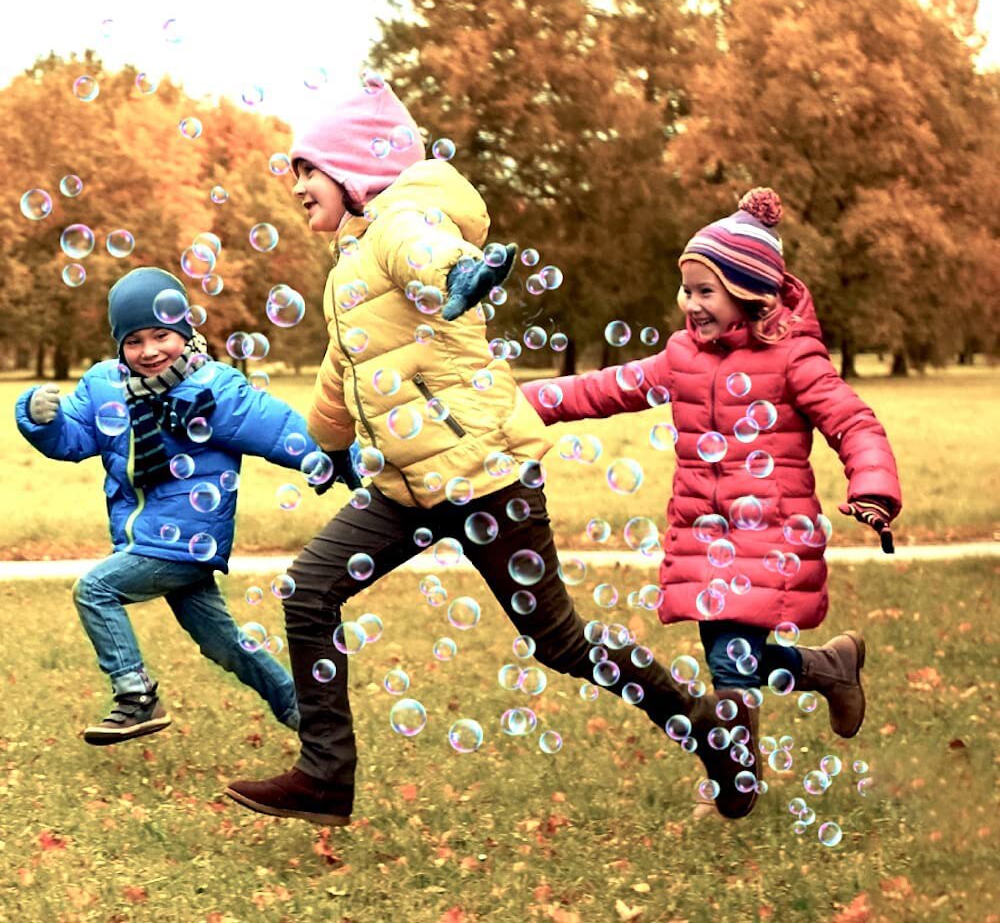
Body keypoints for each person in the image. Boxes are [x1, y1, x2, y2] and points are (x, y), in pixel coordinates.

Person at [225, 81, 756, 824]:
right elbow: (344, 368)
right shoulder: (350, 267)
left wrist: (459, 276)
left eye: (307, 169)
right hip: (409, 486)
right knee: (308, 592)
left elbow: (427, 250)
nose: (297, 186)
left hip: (484, 478)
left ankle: (712, 728)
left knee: (561, 643)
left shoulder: (401, 224)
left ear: (353, 173)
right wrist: (327, 443)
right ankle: (325, 776)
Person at [520, 187, 902, 808]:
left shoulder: (793, 359)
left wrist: (874, 483)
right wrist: (521, 401)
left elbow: (852, 421)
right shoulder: (682, 358)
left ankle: (734, 784)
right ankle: (829, 670)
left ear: (749, 294)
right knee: (732, 655)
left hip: (769, 534)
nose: (690, 305)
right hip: (703, 533)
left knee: (731, 662)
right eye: (687, 290)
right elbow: (604, 387)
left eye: (706, 291)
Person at [15, 267, 356, 746]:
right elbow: (71, 438)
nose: (150, 351)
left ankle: (136, 697)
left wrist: (344, 459)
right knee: (223, 644)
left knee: (95, 590)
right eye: (134, 341)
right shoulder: (103, 387)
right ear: (120, 346)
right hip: (149, 537)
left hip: (185, 538)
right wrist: (38, 418)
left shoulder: (214, 389)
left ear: (185, 332)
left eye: (162, 335)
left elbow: (280, 430)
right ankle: (311, 719)